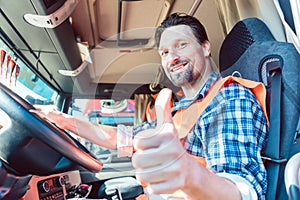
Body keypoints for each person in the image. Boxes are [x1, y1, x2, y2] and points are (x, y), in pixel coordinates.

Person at [38, 13, 268, 199]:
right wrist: (64, 120)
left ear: (206, 47)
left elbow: (240, 191)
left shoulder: (226, 100)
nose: (172, 57)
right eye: (165, 52)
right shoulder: (180, 109)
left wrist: (189, 174)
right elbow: (120, 139)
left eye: (182, 45)